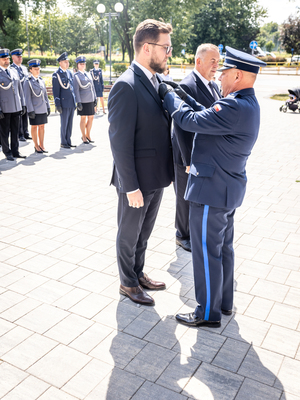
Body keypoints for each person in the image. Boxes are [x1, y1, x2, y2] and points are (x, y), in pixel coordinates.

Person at [158, 46, 266, 327]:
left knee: (206, 251)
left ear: (239, 76)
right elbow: (208, 115)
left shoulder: (232, 105)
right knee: (223, 250)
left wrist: (169, 98)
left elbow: (190, 121)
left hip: (210, 190)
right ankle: (224, 303)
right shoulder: (246, 104)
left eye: (226, 72)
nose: (220, 78)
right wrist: (183, 95)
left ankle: (207, 312)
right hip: (226, 190)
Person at [108, 19, 174, 306]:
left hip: (156, 176)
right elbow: (119, 143)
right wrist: (130, 186)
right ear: (147, 48)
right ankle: (127, 283)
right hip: (135, 181)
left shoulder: (155, 80)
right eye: (166, 47)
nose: (169, 53)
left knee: (144, 233)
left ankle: (137, 272)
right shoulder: (126, 86)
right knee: (129, 233)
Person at [172, 44, 221, 253]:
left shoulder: (213, 85)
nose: (216, 66)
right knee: (185, 196)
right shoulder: (187, 86)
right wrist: (187, 160)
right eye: (212, 61)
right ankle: (182, 235)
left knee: (196, 195)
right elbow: (180, 124)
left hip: (204, 153)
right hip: (187, 154)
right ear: (198, 61)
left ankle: (194, 231)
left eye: (218, 62)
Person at [0, 48, 26, 161]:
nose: (7, 61)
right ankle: (7, 152)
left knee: (15, 131)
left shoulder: (13, 71)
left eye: (8, 58)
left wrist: (23, 104)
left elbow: (20, 90)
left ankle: (15, 151)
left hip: (16, 106)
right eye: (4, 59)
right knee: (5, 132)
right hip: (4, 108)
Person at [23, 59, 51, 154]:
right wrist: (30, 110)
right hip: (34, 109)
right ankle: (36, 146)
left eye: (38, 69)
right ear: (30, 70)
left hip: (42, 108)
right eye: (35, 69)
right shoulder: (28, 82)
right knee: (35, 127)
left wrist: (48, 106)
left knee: (42, 127)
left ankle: (42, 145)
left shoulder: (41, 80)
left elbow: (45, 95)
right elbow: (27, 98)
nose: (37, 70)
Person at [52, 52, 76, 149]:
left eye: (68, 62)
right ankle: (63, 142)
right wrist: (57, 104)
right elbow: (56, 91)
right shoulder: (56, 74)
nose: (67, 63)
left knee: (70, 123)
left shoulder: (69, 73)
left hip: (71, 102)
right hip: (64, 103)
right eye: (65, 62)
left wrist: (75, 101)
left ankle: (68, 141)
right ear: (60, 63)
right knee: (64, 123)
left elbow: (72, 88)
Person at [73, 56, 97, 143]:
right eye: (81, 64)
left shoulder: (88, 74)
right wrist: (78, 102)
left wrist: (95, 98)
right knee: (83, 119)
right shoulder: (76, 76)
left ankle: (88, 135)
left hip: (90, 99)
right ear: (77, 65)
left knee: (91, 118)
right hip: (83, 101)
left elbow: (92, 87)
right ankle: (83, 136)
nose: (82, 65)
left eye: (84, 64)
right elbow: (76, 90)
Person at [10, 48, 32, 142]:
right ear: (12, 58)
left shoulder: (24, 68)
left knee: (25, 114)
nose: (20, 58)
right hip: (17, 96)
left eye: (21, 56)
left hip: (25, 95)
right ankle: (20, 134)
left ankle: (25, 132)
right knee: (19, 115)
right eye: (18, 56)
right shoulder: (11, 69)